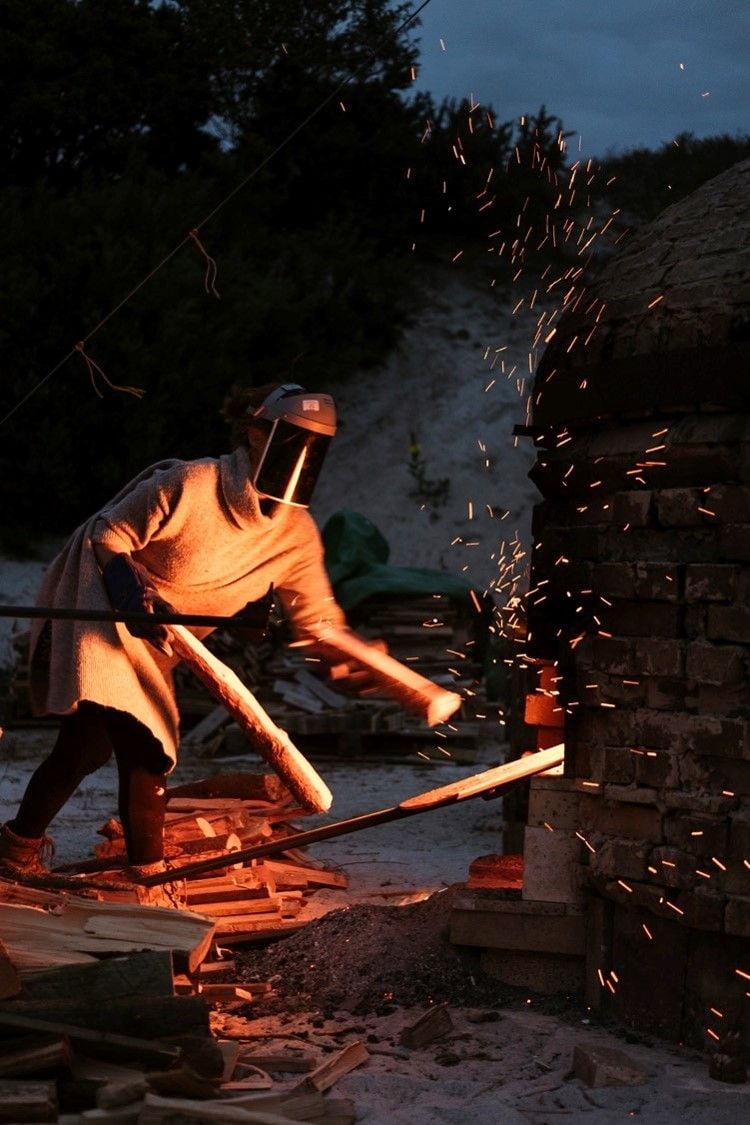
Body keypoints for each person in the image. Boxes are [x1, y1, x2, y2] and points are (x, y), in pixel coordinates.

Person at [0, 382, 349, 880]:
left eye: (314, 448)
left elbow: (319, 620)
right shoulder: (191, 484)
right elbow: (108, 533)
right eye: (292, 440)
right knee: (146, 744)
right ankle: (150, 879)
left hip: (159, 639)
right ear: (255, 433)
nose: (301, 458)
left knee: (86, 746)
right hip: (103, 607)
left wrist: (348, 652)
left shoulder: (294, 533)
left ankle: (14, 849)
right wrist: (126, 587)